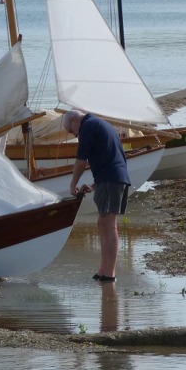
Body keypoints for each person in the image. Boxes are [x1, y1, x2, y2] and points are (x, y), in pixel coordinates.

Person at [63, 110, 130, 283]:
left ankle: (109, 273)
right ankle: (104, 270)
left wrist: (72, 185)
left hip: (111, 178)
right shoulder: (100, 124)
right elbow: (112, 156)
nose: (75, 135)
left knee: (107, 223)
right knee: (104, 223)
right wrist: (94, 185)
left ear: (74, 120)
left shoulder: (88, 126)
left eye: (72, 131)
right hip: (111, 178)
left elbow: (81, 161)